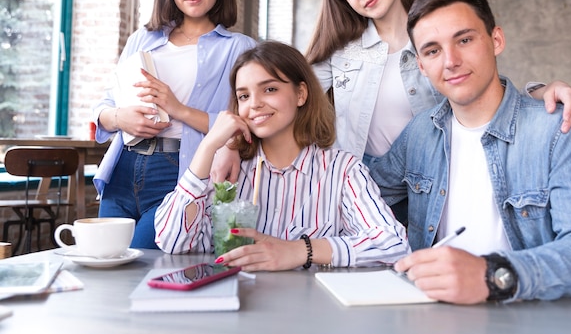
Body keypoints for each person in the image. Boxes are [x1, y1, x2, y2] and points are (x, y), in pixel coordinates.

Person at [213, 0, 571, 226]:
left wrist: (541, 91)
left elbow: (478, 83)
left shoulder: (435, 35)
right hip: (372, 190)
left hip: (442, 181)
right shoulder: (342, 53)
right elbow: (274, 92)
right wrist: (233, 142)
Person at [367, 0, 571, 304]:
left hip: (528, 318)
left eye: (464, 39)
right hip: (431, 316)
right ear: (421, 65)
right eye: (433, 51)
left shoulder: (557, 131)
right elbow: (362, 192)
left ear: (496, 40)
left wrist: (493, 275)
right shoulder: (420, 133)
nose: (451, 61)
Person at [154, 41, 410, 271]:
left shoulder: (342, 171)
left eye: (269, 89)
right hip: (237, 311)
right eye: (244, 96)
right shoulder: (226, 171)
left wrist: (301, 250)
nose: (254, 104)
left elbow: (394, 245)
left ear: (301, 94)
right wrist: (209, 146)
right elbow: (172, 241)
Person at [92, 0, 255, 248]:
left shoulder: (240, 49)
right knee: (107, 265)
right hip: (123, 169)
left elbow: (242, 125)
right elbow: (104, 105)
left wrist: (178, 109)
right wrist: (119, 117)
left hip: (178, 174)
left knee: (143, 267)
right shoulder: (143, 39)